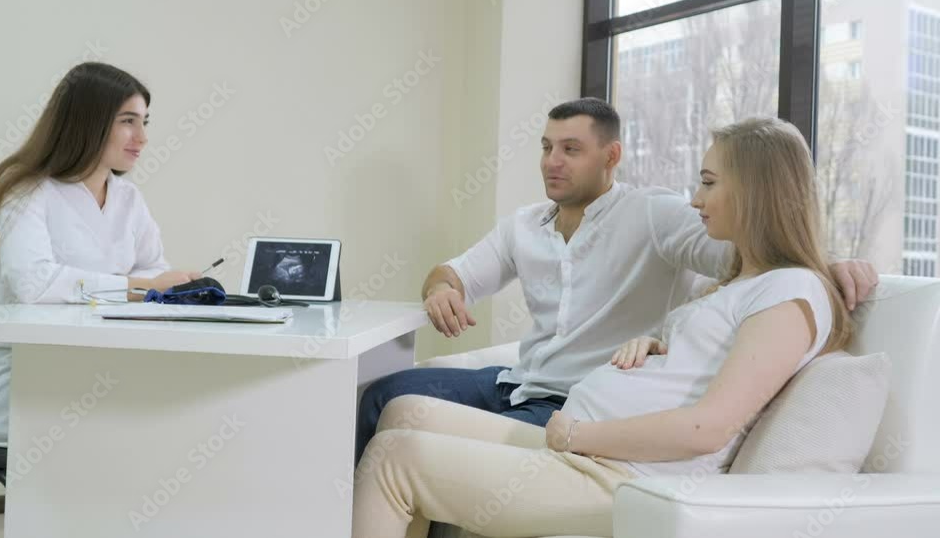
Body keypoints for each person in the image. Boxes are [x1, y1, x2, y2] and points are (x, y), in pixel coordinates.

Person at [353, 116, 855, 538]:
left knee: (395, 456)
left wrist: (577, 433)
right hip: (581, 439)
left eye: (708, 182)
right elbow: (709, 357)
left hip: (620, 471)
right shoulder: (744, 284)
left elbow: (710, 428)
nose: (696, 200)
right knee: (401, 409)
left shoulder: (789, 288)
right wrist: (656, 345)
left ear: (756, 192)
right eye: (547, 147)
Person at [0, 62, 200, 447]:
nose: (142, 137)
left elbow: (154, 267)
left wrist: (160, 284)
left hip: (95, 368)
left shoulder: (128, 198)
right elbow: (34, 285)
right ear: (89, 121)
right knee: (134, 432)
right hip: (21, 383)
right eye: (128, 121)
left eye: (144, 122)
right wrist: (141, 288)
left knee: (170, 417)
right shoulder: (26, 191)